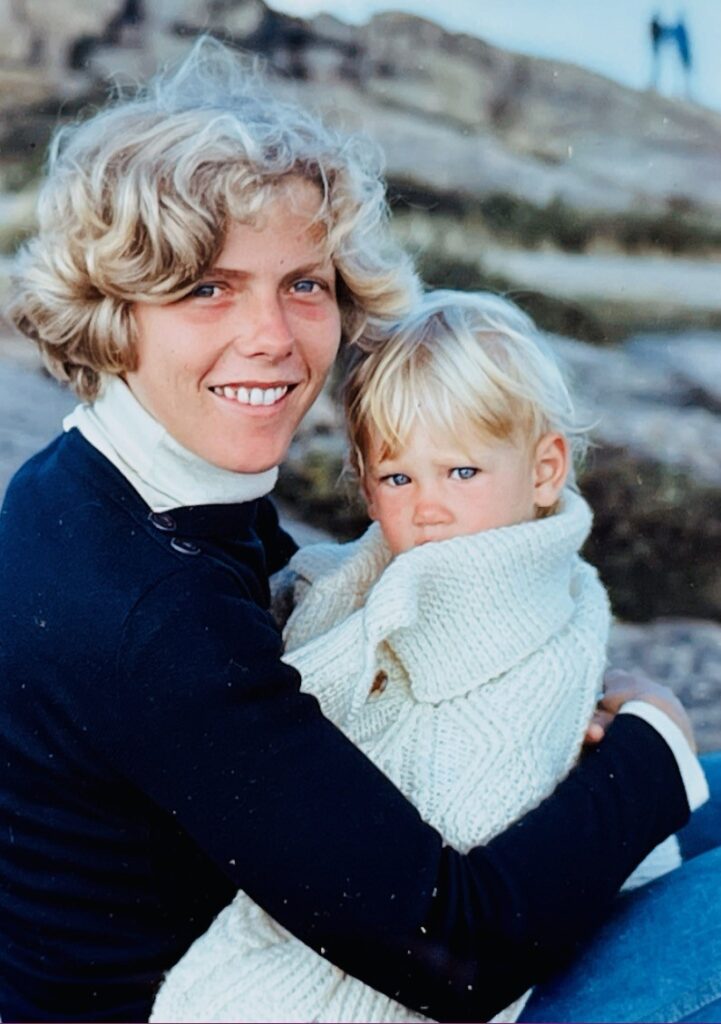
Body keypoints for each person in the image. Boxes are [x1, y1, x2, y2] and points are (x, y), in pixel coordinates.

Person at [0, 37, 710, 1024]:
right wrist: (653, 745)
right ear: (114, 310)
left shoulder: (95, 474)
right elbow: (456, 953)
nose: (273, 336)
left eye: (304, 281)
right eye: (207, 286)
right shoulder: (151, 612)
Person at [151, 290, 681, 1022]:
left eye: (461, 473)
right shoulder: (363, 584)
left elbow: (497, 773)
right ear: (366, 488)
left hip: (498, 910)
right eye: (398, 478)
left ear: (544, 470)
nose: (427, 507)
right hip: (428, 956)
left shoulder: (522, 595)